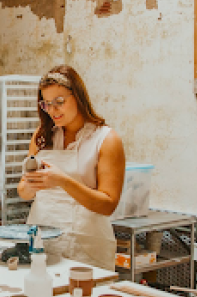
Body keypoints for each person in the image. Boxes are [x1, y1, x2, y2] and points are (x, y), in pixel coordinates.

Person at [17, 65, 125, 270]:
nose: (52, 111)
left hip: (87, 248)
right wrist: (31, 185)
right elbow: (23, 191)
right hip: (42, 241)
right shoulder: (42, 136)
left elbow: (108, 204)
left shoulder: (106, 140)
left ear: (78, 97)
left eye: (59, 102)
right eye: (46, 104)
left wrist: (62, 181)